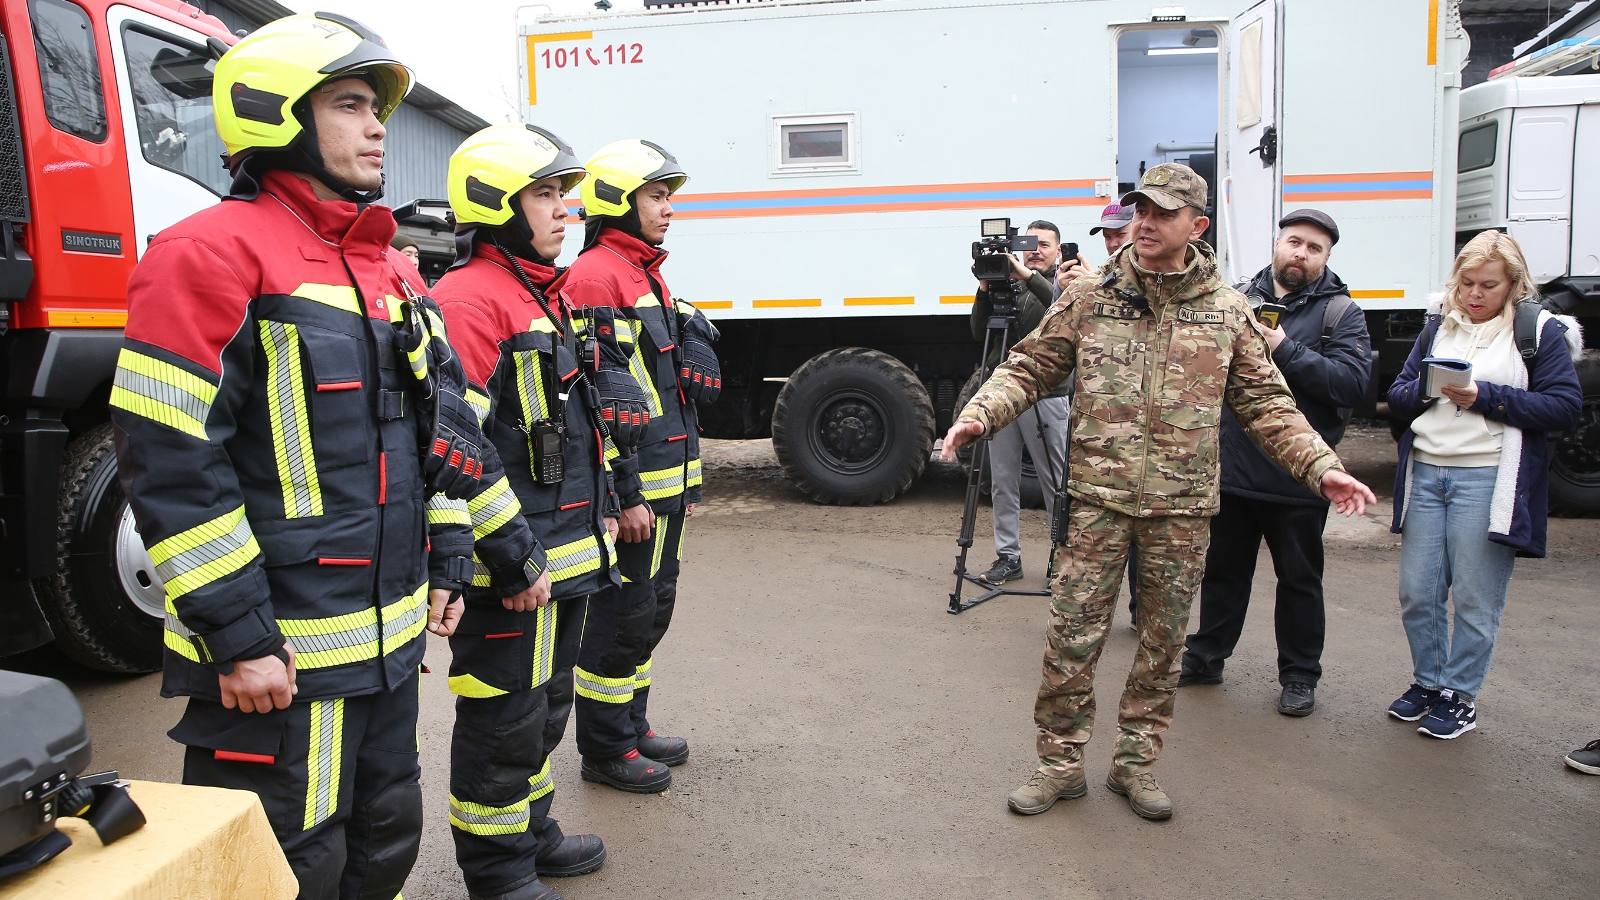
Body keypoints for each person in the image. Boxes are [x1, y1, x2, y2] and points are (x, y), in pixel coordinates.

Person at [109, 14, 544, 898]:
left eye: (374, 108)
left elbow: (444, 439)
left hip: (384, 645)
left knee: (383, 839)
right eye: (350, 104)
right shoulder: (206, 255)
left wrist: (455, 559)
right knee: (281, 862)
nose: (379, 126)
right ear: (276, 115)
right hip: (279, 662)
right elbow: (172, 462)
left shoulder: (393, 273)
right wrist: (238, 637)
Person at [941, 163, 1375, 822]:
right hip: (1097, 503)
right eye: (1138, 210)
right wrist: (980, 412)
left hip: (1180, 512)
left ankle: (1135, 764)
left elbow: (1268, 404)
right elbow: (1029, 365)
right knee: (1070, 639)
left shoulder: (1228, 311)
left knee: (1161, 646)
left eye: (1161, 213)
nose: (1144, 222)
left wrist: (1322, 466)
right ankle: (1059, 766)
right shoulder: (1091, 296)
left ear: (1195, 226)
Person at [432, 125, 636, 900]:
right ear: (495, 201)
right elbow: (455, 454)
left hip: (563, 557)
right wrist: (503, 555)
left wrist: (612, 504)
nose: (566, 210)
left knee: (545, 711)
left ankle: (532, 830)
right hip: (513, 566)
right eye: (546, 194)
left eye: (563, 193)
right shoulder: (469, 300)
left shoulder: (539, 295)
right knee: (503, 721)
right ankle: (498, 872)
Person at [563, 139, 719, 792]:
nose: (668, 209)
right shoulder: (598, 275)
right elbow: (600, 403)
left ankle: (633, 722)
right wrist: (622, 495)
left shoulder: (644, 271)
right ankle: (606, 748)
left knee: (652, 608)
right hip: (639, 494)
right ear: (617, 203)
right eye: (656, 196)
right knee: (622, 616)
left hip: (669, 484)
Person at [1385, 230, 1581, 739]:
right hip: (1427, 471)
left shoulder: (1539, 332)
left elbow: (1564, 406)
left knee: (1474, 596)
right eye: (1466, 283)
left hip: (1487, 477)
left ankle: (1460, 694)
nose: (1474, 295)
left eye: (1488, 285)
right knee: (1418, 593)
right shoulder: (1438, 326)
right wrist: (1427, 391)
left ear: (1513, 285)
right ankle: (1428, 683)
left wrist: (1483, 397)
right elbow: (1398, 394)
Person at [1180, 209, 1371, 717]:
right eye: (1294, 242)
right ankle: (1206, 656)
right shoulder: (1239, 297)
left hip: (1299, 476)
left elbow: (1350, 386)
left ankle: (1300, 676)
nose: (1301, 254)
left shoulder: (1340, 313)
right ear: (1277, 244)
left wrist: (1284, 348)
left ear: (1326, 258)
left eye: (1314, 248)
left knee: (1300, 581)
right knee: (1223, 572)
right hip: (1236, 469)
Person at [969, 220, 1070, 586]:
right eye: (1030, 243)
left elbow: (1060, 309)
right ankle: (1007, 556)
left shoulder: (1066, 284)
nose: (1035, 250)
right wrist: (985, 289)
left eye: (1043, 244)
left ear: (1058, 250)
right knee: (1003, 480)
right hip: (1003, 392)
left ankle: (1063, 557)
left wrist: (1027, 276)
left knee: (1055, 481)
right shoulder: (1007, 285)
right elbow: (979, 333)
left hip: (1047, 394)